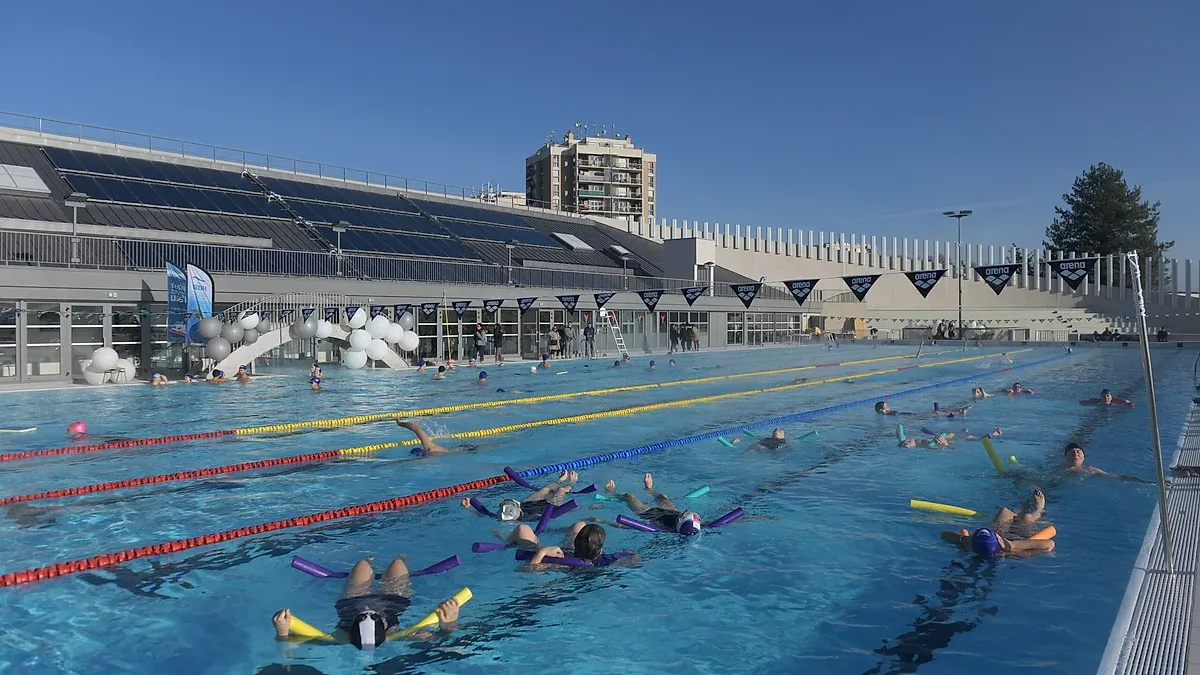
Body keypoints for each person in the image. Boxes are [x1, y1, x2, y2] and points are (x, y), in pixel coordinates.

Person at [271, 557, 461, 649]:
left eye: (362, 615)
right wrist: (450, 622)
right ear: (386, 627)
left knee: (362, 565)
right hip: (392, 603)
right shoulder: (398, 634)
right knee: (398, 564)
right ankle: (401, 559)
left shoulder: (340, 638)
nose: (367, 608)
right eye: (371, 615)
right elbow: (442, 640)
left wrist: (282, 630)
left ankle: (371, 564)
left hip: (351, 602)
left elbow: (289, 645)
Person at [939, 489, 1055, 557]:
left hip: (997, 537)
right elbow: (1050, 544)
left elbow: (943, 534)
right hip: (1018, 539)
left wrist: (964, 539)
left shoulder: (969, 545)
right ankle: (1039, 508)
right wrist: (1012, 545)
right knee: (1027, 518)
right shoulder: (1014, 553)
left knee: (1004, 511)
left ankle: (1020, 508)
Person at [507, 520, 636, 570]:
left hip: (562, 554)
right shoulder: (607, 561)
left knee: (523, 528)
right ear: (601, 550)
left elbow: (526, 570)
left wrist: (542, 552)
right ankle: (551, 530)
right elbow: (634, 557)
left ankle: (504, 541)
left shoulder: (560, 564)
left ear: (575, 543)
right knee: (579, 525)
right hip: (569, 553)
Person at [604, 473, 702, 535]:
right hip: (672, 512)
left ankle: (611, 492)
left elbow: (628, 526)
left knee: (629, 496)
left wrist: (602, 521)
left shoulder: (661, 529)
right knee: (662, 497)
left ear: (681, 518)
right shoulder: (694, 525)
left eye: (684, 513)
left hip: (648, 513)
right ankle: (649, 489)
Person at [462, 470, 578, 521]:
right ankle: (571, 482)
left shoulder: (502, 516)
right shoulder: (529, 518)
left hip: (527, 504)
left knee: (545, 489)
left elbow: (485, 514)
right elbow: (552, 515)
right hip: (546, 508)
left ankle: (559, 480)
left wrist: (469, 508)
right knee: (561, 490)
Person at [1062, 442, 1148, 481]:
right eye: (1072, 452)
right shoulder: (1059, 472)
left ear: (1084, 457)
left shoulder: (1090, 470)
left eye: (1078, 452)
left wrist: (1137, 480)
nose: (1076, 454)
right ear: (1065, 457)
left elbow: (1115, 477)